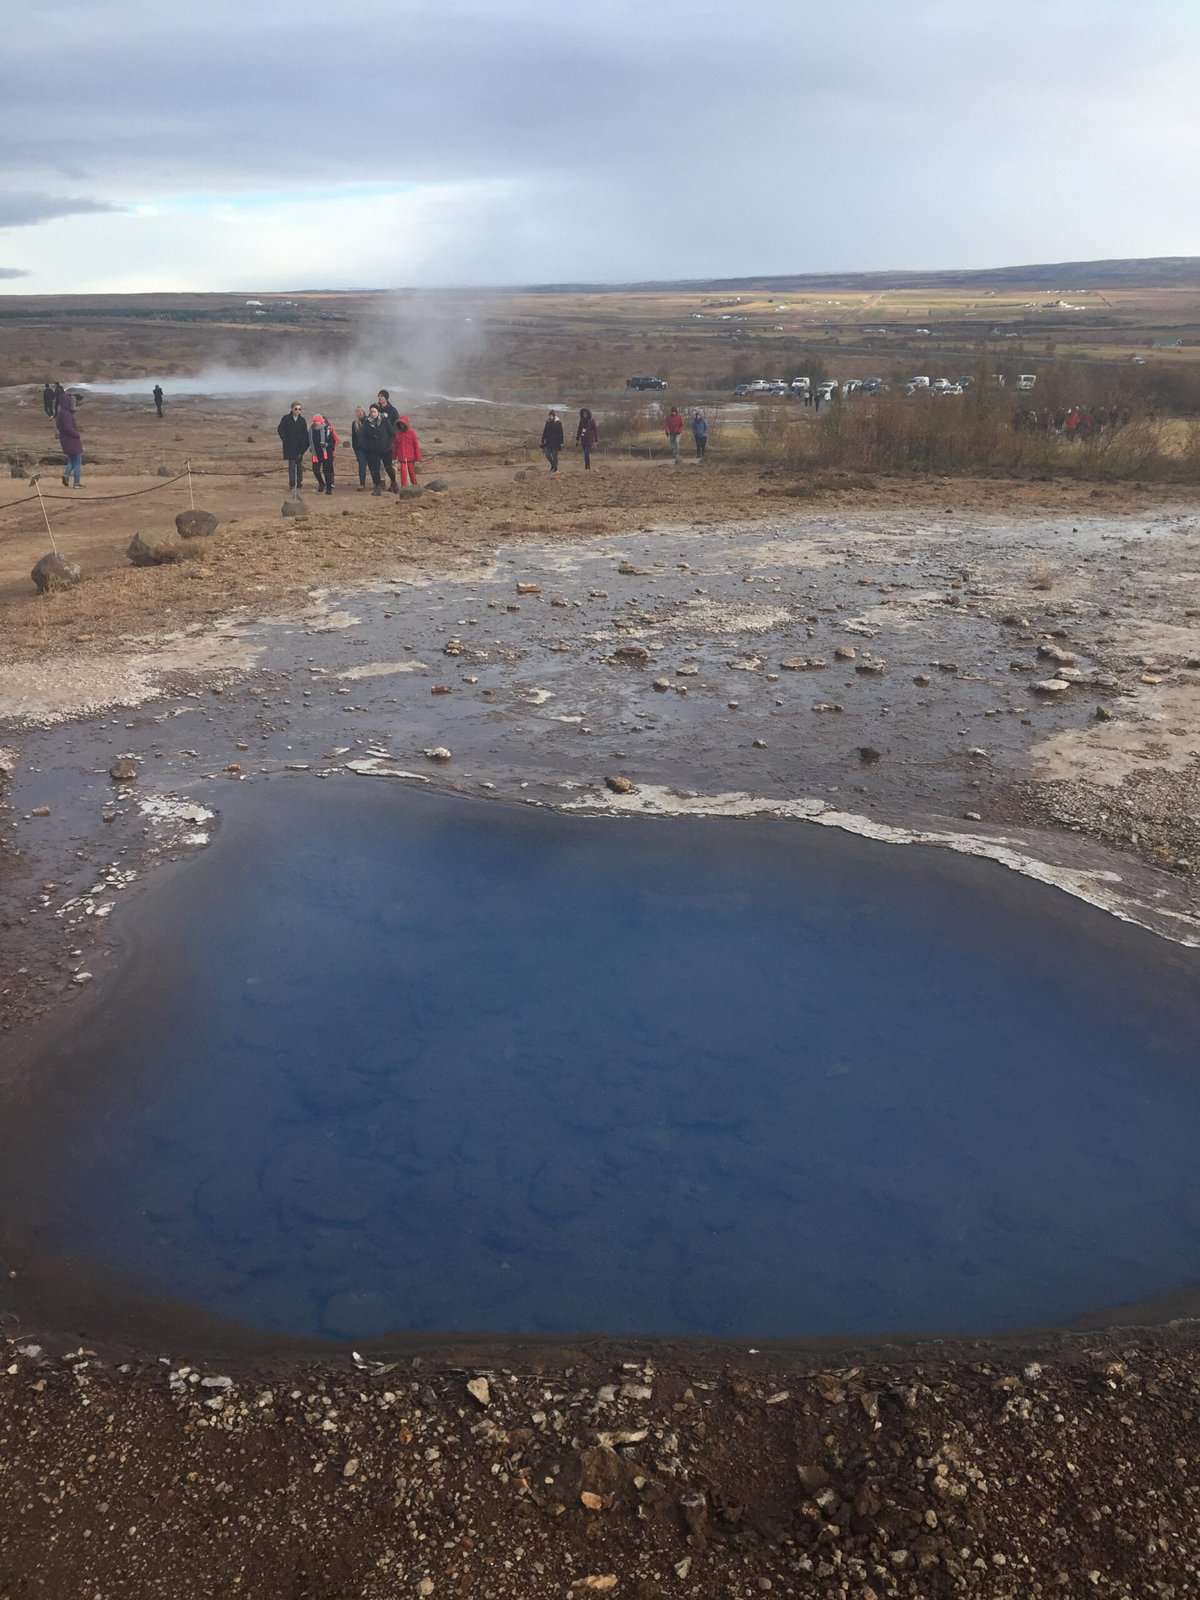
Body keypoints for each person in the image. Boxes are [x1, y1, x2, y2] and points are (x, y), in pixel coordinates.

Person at [277, 401, 310, 492]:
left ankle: (299, 484)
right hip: (290, 446)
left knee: (299, 467)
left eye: (299, 409)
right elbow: (280, 429)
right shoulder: (286, 418)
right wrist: (284, 439)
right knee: (291, 466)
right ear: (291, 409)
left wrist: (303, 449)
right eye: (296, 409)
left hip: (299, 448)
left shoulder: (302, 420)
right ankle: (292, 484)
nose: (297, 410)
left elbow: (305, 435)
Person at [360, 404, 392, 494]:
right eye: (371, 412)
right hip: (372, 449)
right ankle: (377, 487)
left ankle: (393, 483)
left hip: (385, 449)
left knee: (388, 467)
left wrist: (388, 445)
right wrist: (366, 446)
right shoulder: (367, 423)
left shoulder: (384, 421)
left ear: (378, 412)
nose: (372, 413)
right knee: (374, 469)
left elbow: (392, 434)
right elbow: (362, 436)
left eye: (374, 411)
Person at [56, 392, 83, 488]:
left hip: (66, 440)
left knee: (72, 460)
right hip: (71, 440)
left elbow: (61, 427)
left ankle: (66, 475)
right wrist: (77, 434)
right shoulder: (66, 414)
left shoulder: (61, 413)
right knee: (77, 462)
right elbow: (68, 428)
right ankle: (76, 483)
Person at [310, 413, 338, 494]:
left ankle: (329, 488)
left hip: (327, 453)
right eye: (314, 421)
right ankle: (321, 483)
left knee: (327, 471)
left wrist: (327, 445)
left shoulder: (327, 429)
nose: (316, 423)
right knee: (315, 470)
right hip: (316, 454)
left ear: (321, 421)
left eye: (317, 421)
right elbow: (308, 441)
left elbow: (333, 442)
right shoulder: (311, 430)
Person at [392, 414, 421, 488]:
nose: (401, 425)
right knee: (403, 473)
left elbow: (416, 446)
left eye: (403, 424)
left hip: (410, 458)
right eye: (400, 424)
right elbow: (395, 446)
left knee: (411, 472)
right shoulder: (398, 434)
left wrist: (417, 458)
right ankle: (404, 487)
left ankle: (415, 485)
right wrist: (394, 457)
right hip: (402, 458)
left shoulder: (412, 433)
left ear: (406, 424)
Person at [350, 406, 369, 490]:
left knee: (373, 466)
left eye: (360, 411)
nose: (359, 413)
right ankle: (362, 484)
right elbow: (354, 438)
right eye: (357, 411)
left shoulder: (369, 421)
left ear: (364, 412)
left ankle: (377, 484)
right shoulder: (354, 423)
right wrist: (355, 450)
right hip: (360, 449)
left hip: (370, 448)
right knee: (362, 466)